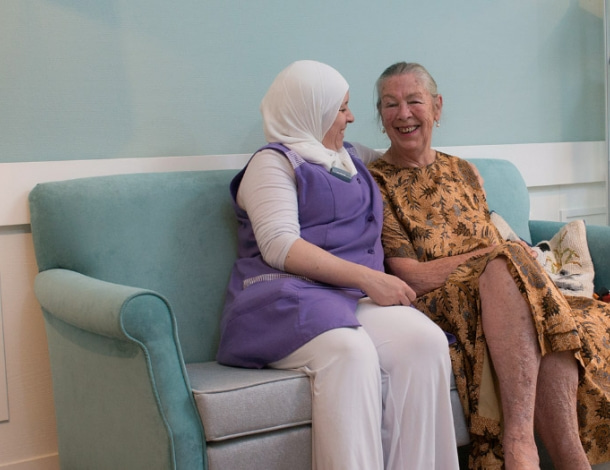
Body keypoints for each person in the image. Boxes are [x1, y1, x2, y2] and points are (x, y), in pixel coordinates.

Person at [216, 60, 460, 470]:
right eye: (341, 108)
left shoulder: (350, 157)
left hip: (345, 299)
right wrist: (371, 278)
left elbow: (405, 157)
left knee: (425, 341)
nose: (350, 117)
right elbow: (280, 246)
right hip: (282, 297)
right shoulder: (272, 164)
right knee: (352, 352)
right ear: (310, 111)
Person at [368, 61, 610, 470]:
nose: (403, 114)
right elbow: (409, 274)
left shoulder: (464, 170)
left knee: (549, 308)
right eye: (390, 105)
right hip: (444, 299)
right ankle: (519, 445)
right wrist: (497, 257)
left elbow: (498, 246)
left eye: (414, 101)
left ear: (438, 107)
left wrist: (515, 254)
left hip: (509, 290)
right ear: (380, 116)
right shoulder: (376, 181)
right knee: (508, 267)